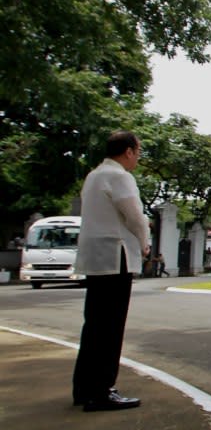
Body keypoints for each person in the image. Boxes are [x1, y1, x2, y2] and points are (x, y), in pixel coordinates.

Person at [72, 130, 149, 412]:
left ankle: (84, 388)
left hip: (96, 258)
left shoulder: (94, 176)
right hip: (116, 256)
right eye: (137, 152)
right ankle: (102, 391)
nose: (137, 158)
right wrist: (145, 242)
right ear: (128, 151)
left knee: (93, 325)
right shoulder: (120, 177)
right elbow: (134, 215)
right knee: (110, 327)